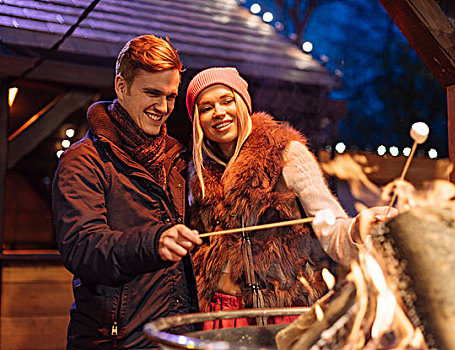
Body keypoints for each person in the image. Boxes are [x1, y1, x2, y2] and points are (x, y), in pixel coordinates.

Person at [185, 67, 396, 329]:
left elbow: (330, 226)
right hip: (220, 313)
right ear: (198, 120)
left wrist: (358, 228)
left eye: (227, 101)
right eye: (206, 108)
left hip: (282, 313)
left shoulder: (285, 154)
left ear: (242, 103)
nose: (218, 112)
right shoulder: (200, 173)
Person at [52, 34, 202, 349]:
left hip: (176, 335)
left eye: (171, 96)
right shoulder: (83, 160)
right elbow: (83, 247)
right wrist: (154, 243)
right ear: (122, 87)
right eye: (152, 93)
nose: (163, 108)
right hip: (115, 340)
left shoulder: (178, 158)